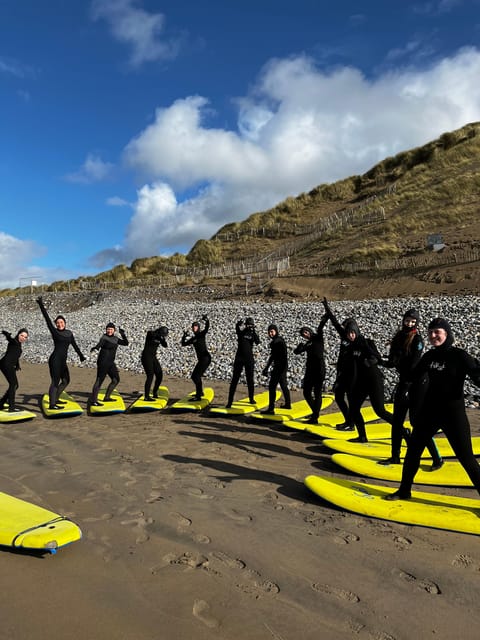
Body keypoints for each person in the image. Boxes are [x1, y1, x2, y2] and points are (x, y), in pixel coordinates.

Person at [386, 317, 480, 500]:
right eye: (430, 332)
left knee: (467, 459)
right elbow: (412, 375)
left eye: (437, 332)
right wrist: (396, 359)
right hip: (430, 413)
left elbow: (477, 375)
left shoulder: (459, 356)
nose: (433, 335)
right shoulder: (429, 356)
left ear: (447, 333)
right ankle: (404, 490)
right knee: (413, 451)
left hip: (453, 415)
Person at [379, 309, 442, 469]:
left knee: (417, 422)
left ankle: (437, 458)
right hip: (404, 382)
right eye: (408, 320)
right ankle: (395, 457)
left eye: (413, 322)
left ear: (417, 323)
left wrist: (399, 365)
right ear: (403, 320)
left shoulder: (418, 339)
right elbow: (393, 362)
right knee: (397, 422)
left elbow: (413, 364)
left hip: (418, 383)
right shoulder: (398, 337)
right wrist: (378, 361)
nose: (410, 324)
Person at [324, 301, 393, 443]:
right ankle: (362, 436)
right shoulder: (349, 346)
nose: (350, 336)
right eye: (348, 333)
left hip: (374, 380)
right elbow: (336, 325)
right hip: (361, 382)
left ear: (356, 331)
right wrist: (327, 309)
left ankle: (403, 430)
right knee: (354, 409)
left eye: (352, 333)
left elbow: (376, 356)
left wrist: (374, 360)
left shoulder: (364, 342)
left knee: (380, 411)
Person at [37, 296, 86, 410]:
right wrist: (41, 305)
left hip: (63, 361)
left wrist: (81, 356)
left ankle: (56, 398)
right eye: (58, 323)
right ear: (56, 324)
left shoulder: (69, 333)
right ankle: (52, 404)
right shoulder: (55, 332)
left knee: (66, 380)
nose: (60, 324)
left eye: (61, 322)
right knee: (55, 381)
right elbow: (47, 319)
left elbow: (74, 345)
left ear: (65, 323)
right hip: (55, 360)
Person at [293, 314, 328, 424]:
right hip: (310, 370)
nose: (305, 334)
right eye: (303, 334)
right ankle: (315, 412)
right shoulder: (307, 344)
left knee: (317, 393)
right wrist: (299, 347)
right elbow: (296, 352)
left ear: (310, 331)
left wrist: (324, 319)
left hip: (319, 369)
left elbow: (320, 328)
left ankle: (315, 417)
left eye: (306, 332)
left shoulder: (318, 338)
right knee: (306, 392)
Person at [90, 323, 129, 406]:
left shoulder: (115, 339)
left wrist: (123, 334)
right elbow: (100, 344)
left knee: (116, 380)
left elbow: (126, 343)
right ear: (106, 330)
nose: (109, 331)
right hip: (103, 362)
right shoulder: (104, 338)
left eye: (111, 329)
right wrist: (95, 348)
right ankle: (94, 401)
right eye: (108, 329)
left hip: (111, 363)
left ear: (114, 330)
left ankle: (107, 397)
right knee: (99, 381)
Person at [226, 317, 260, 407]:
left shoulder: (252, 334)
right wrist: (238, 324)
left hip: (249, 360)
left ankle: (251, 399)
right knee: (234, 380)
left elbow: (258, 342)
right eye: (248, 324)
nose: (249, 326)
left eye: (250, 325)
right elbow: (237, 329)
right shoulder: (241, 333)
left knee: (250, 380)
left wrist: (253, 331)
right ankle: (229, 401)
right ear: (245, 325)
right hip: (239, 359)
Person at [262, 324, 291, 413]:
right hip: (283, 366)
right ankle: (288, 404)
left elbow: (274, 356)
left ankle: (271, 409)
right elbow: (274, 356)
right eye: (269, 332)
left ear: (276, 331)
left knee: (272, 387)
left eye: (272, 331)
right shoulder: (280, 340)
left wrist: (267, 368)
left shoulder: (276, 342)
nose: (270, 333)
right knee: (283, 385)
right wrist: (267, 367)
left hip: (279, 367)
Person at [181, 314, 211, 400]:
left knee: (196, 376)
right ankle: (200, 392)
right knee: (195, 376)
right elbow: (183, 344)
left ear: (198, 327)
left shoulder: (201, 335)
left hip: (206, 358)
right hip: (202, 360)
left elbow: (206, 329)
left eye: (196, 326)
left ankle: (198, 396)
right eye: (193, 326)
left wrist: (207, 320)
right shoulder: (193, 339)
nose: (194, 328)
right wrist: (184, 336)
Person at [0, 328, 29, 412]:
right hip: (6, 364)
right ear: (18, 334)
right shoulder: (14, 342)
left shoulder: (19, 344)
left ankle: (1, 403)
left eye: (25, 337)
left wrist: (17, 365)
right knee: (13, 385)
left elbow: (14, 355)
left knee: (15, 385)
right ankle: (11, 407)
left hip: (7, 365)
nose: (23, 338)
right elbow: (11, 340)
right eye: (22, 335)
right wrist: (7, 335)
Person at [141, 325, 169, 401]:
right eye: (163, 334)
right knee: (150, 376)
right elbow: (150, 333)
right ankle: (146, 397)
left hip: (153, 357)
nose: (163, 336)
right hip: (146, 357)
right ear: (160, 332)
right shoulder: (151, 334)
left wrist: (162, 339)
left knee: (159, 375)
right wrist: (159, 335)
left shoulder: (160, 337)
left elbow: (165, 345)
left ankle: (154, 392)